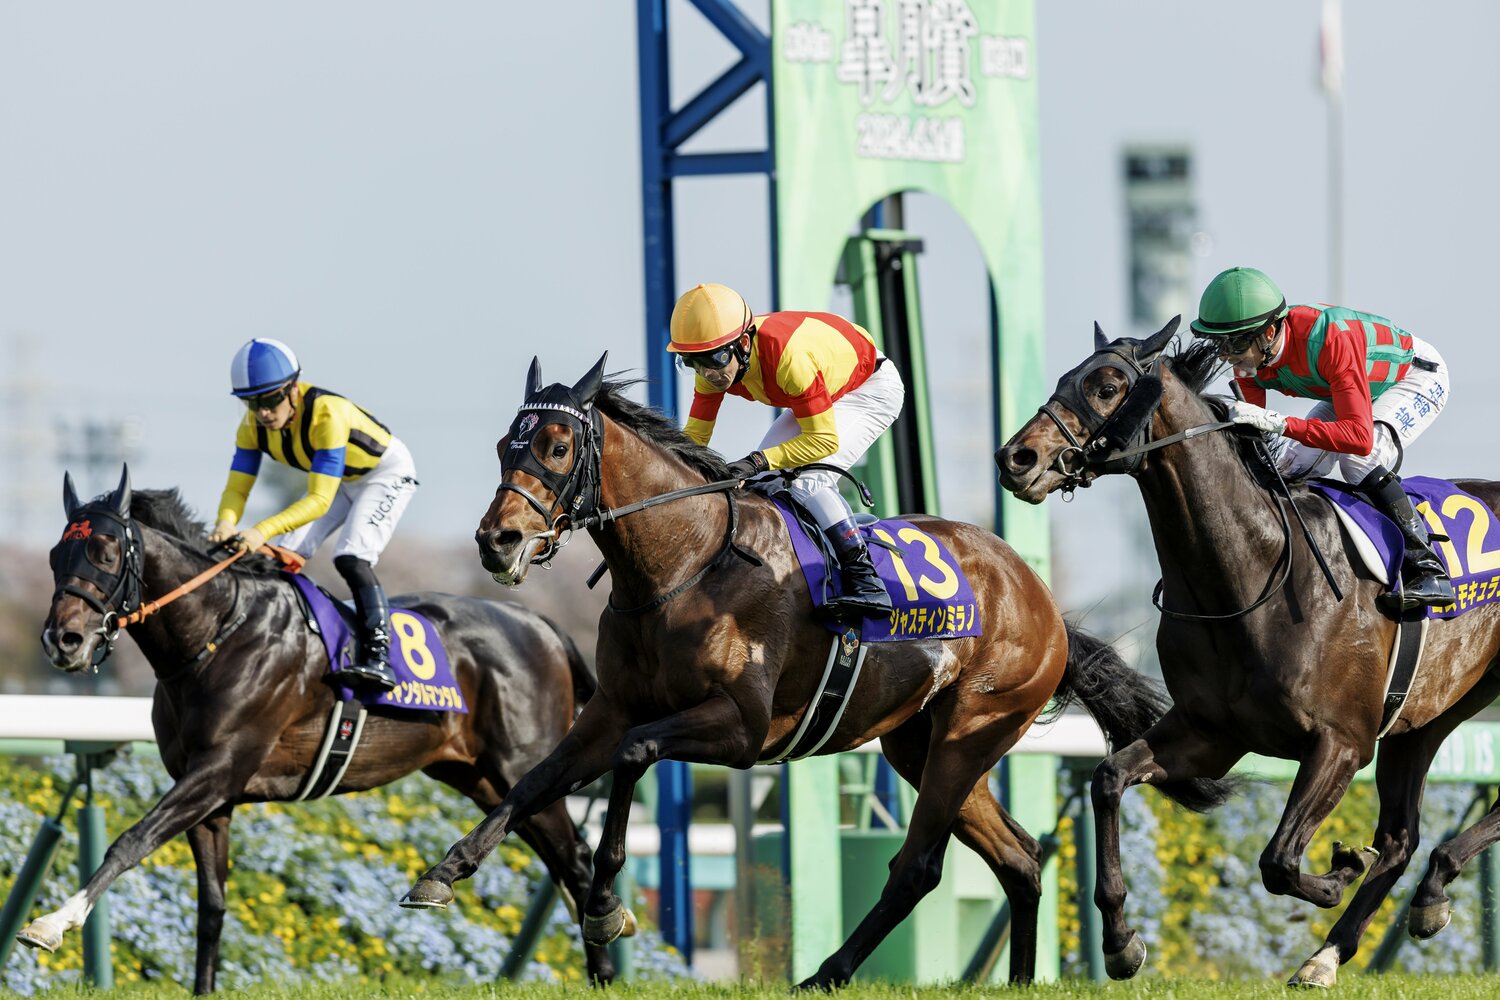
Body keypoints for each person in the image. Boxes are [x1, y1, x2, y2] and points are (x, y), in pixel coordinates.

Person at [1191, 266, 1454, 609]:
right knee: (1289, 466)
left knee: (1360, 461)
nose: (1227, 356)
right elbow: (1254, 437)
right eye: (1220, 344)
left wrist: (1280, 423)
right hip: (1350, 386)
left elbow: (1358, 437)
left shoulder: (1329, 340)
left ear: (1269, 332)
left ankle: (1428, 568)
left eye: (1235, 343)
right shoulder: (1251, 358)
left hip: (1413, 376)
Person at [667, 283, 905, 622]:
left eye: (715, 359)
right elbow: (693, 442)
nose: (707, 374)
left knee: (808, 481)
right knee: (761, 483)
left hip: (869, 389)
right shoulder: (717, 362)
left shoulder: (787, 359)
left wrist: (757, 460)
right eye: (693, 362)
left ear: (743, 343)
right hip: (827, 386)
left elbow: (823, 441)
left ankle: (865, 578)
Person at [209, 338, 418, 690]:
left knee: (351, 556)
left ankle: (378, 656)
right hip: (341, 481)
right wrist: (225, 522)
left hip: (384, 474)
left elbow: (320, 500)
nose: (262, 412)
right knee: (282, 558)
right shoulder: (250, 427)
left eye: (271, 398)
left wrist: (261, 530)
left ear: (292, 389)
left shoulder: (327, 414)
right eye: (251, 401)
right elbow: (238, 487)